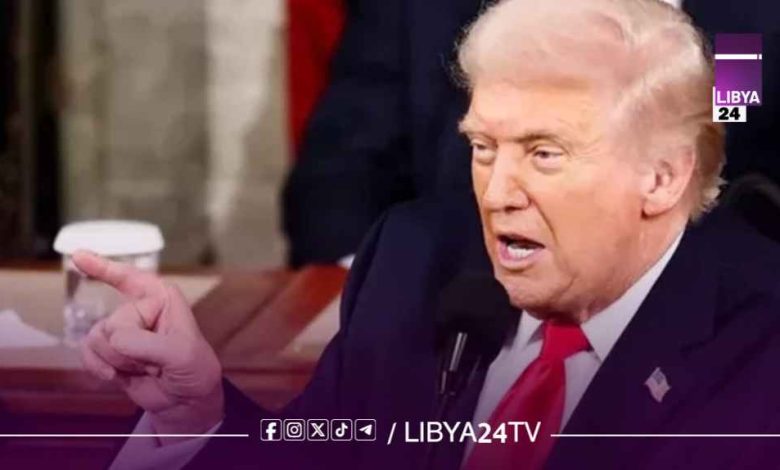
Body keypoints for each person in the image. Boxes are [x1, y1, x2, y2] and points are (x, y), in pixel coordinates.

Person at [77, 0, 780, 469]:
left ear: (663, 175)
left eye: (544, 153)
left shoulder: (751, 359)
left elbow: (736, 132)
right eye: (483, 149)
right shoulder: (410, 271)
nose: (498, 193)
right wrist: (199, 414)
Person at [282, 0, 780, 268]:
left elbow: (743, 140)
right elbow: (342, 168)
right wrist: (371, 293)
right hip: (463, 308)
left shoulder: (747, 26)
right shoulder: (418, 12)